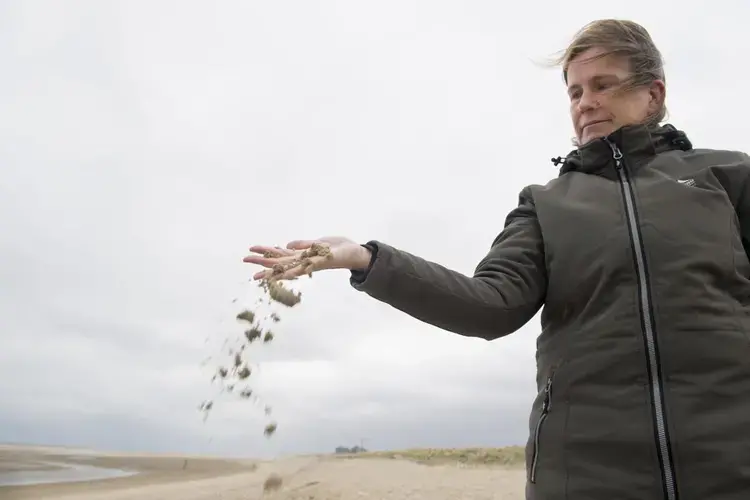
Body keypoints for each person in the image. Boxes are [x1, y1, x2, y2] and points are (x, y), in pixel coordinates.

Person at [243, 19, 750, 500]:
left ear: (653, 93)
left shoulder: (726, 177)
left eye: (604, 85)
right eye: (575, 92)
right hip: (584, 475)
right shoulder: (545, 204)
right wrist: (366, 259)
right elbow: (489, 305)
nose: (586, 103)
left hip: (731, 466)